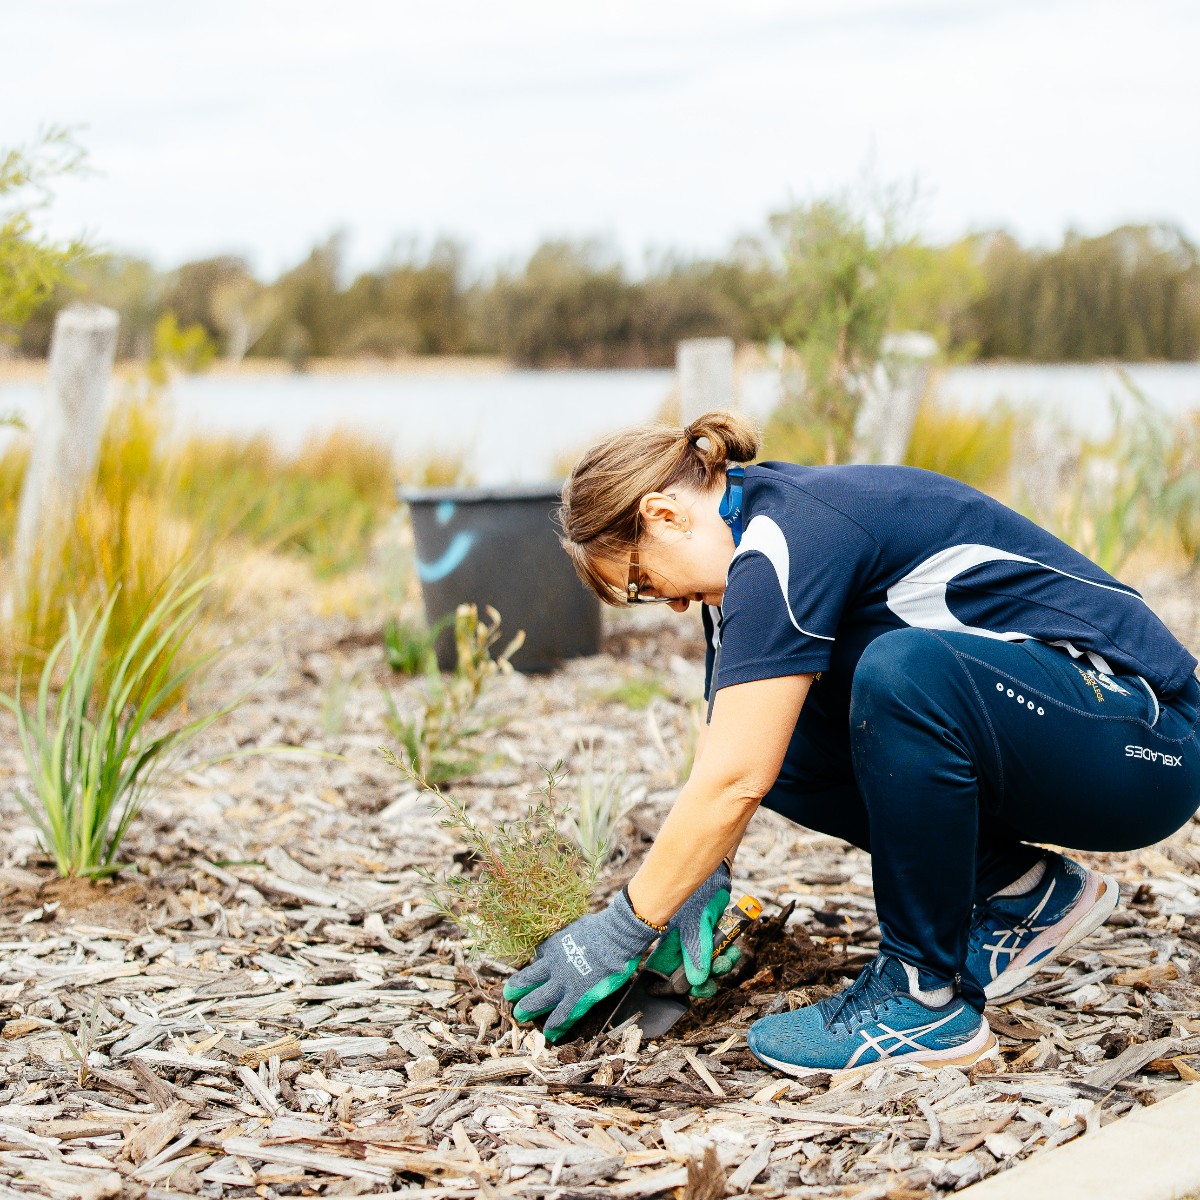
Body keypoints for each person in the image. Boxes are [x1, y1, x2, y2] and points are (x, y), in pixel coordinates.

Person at [503, 411, 1200, 1076]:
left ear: (662, 514)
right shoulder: (747, 561)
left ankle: (921, 1000)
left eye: (645, 583)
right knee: (783, 737)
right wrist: (702, 880)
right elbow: (731, 754)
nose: (672, 604)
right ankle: (1021, 894)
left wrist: (620, 931)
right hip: (1060, 737)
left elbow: (733, 780)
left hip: (1149, 737)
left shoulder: (787, 537)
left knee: (905, 676)